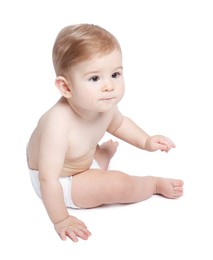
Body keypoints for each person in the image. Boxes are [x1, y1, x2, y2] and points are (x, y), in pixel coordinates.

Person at [27, 24, 184, 243]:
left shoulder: (103, 105)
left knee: (90, 160)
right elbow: (48, 178)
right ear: (66, 87)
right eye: (94, 78)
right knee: (117, 185)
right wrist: (61, 219)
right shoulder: (57, 124)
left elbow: (119, 124)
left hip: (78, 163)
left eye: (115, 74)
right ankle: (153, 184)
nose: (109, 86)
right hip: (59, 182)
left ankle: (99, 158)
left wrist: (146, 140)